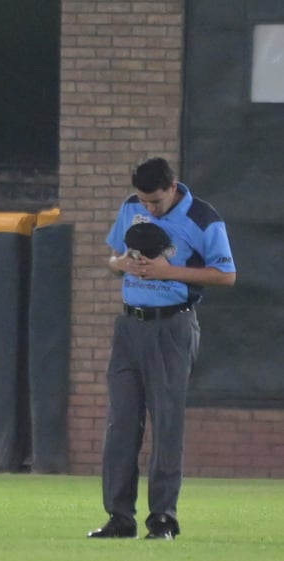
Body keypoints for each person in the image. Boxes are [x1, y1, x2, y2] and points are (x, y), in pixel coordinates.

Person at [87, 157, 236, 540]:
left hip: (172, 326)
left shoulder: (204, 218)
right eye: (143, 201)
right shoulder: (130, 207)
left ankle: (163, 520)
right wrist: (120, 263)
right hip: (129, 327)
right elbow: (111, 261)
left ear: (172, 188)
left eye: (155, 201)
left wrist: (170, 272)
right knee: (120, 425)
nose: (149, 209)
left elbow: (226, 274)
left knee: (166, 425)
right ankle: (120, 519)